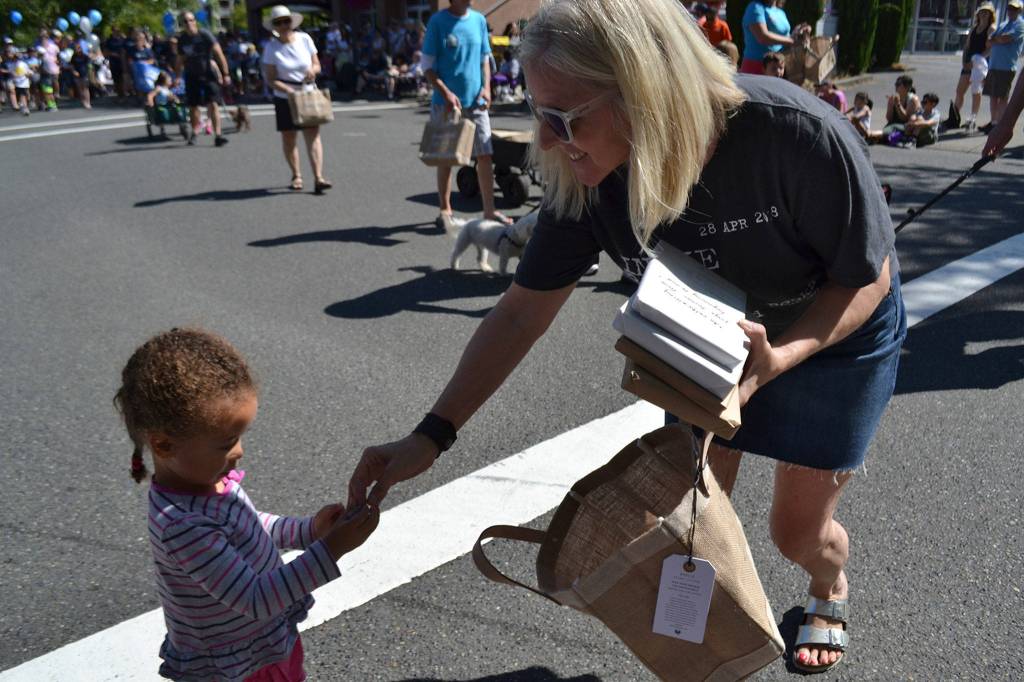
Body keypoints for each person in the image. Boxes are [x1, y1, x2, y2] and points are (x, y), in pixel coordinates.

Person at [348, 0, 904, 675]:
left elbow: (866, 279)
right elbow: (523, 312)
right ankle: (713, 650)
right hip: (712, 343)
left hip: (830, 337)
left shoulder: (790, 134)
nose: (546, 143)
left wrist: (783, 356)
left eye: (565, 117)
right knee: (694, 520)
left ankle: (827, 584)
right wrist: (430, 434)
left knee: (796, 532)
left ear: (647, 87)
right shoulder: (589, 181)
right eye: (538, 115)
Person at [115, 327, 378, 682]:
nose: (238, 451)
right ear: (163, 446)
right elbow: (254, 599)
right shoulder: (181, 525)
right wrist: (330, 551)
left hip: (263, 642)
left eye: (239, 437)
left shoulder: (207, 481)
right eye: (226, 442)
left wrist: (310, 530)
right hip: (237, 665)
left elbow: (252, 526)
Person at [423, 0, 512, 227]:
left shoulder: (479, 20)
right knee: (446, 158)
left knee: (485, 155)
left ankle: (489, 212)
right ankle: (445, 210)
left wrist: (487, 88)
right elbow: (427, 66)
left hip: (476, 102)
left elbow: (485, 58)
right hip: (446, 104)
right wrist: (446, 93)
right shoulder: (438, 22)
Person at [261, 5, 333, 194]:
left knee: (313, 134)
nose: (284, 25)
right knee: (289, 137)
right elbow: (270, 78)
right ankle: (297, 175)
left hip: (307, 92)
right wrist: (287, 90)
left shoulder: (305, 39)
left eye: (286, 21)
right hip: (285, 96)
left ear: (291, 22)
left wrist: (313, 70)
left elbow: (317, 64)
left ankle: (318, 177)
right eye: (279, 23)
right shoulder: (271, 47)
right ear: (274, 27)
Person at [177, 10, 231, 147]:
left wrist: (225, 73)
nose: (189, 23)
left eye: (191, 20)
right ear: (182, 24)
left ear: (195, 21)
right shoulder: (182, 40)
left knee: (213, 103)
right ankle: (194, 133)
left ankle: (218, 135)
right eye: (185, 21)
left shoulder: (205, 35)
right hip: (191, 75)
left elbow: (219, 54)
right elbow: (180, 59)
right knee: (193, 106)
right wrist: (177, 76)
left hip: (208, 73)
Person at [948, 3, 996, 132]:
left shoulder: (991, 29)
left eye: (987, 12)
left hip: (980, 65)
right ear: (978, 14)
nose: (984, 14)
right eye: (982, 12)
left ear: (991, 15)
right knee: (960, 90)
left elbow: (990, 48)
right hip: (968, 63)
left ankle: (972, 119)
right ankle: (955, 116)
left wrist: (979, 58)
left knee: (976, 92)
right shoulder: (974, 28)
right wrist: (965, 60)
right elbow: (967, 46)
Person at [980, 0, 1024, 134]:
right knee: (993, 96)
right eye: (1010, 8)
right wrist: (997, 39)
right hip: (994, 65)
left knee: (1002, 97)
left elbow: (1007, 39)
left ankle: (1000, 125)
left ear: (1019, 11)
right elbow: (988, 41)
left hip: (1006, 67)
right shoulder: (1003, 24)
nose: (1011, 11)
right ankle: (993, 122)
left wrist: (996, 39)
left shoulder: (1020, 25)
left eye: (1014, 9)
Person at [740, 0, 809, 75]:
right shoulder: (755, 7)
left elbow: (784, 39)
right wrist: (791, 40)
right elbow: (762, 37)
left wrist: (798, 33)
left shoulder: (780, 11)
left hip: (778, 68)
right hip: (756, 66)